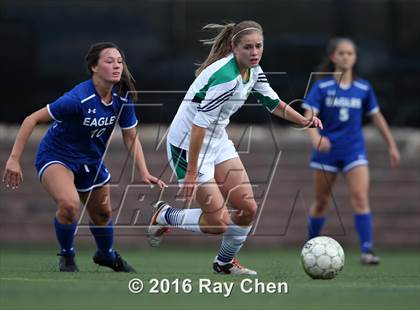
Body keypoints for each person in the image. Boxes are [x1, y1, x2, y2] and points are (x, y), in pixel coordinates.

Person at [147, 21, 323, 275]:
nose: (254, 52)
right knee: (218, 223)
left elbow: (273, 102)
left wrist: (304, 121)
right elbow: (197, 127)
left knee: (248, 208)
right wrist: (192, 173)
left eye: (259, 46)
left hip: (216, 141)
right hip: (188, 145)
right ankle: (165, 215)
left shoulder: (253, 70)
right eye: (248, 47)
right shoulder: (225, 78)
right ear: (234, 48)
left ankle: (224, 263)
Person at [3, 42, 166, 272]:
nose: (117, 66)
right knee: (69, 205)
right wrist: (13, 158)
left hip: (90, 161)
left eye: (119, 61)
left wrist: (144, 171)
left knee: (102, 214)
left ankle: (106, 255)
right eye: (109, 61)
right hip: (56, 155)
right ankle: (67, 256)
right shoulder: (77, 99)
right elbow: (31, 119)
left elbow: (131, 137)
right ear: (93, 67)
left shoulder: (122, 98)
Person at [302, 37, 400, 265]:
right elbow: (308, 118)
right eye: (342, 53)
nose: (346, 57)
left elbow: (377, 117)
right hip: (326, 152)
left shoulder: (363, 88)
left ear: (355, 58)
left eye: (350, 53)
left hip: (354, 150)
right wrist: (316, 138)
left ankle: (367, 250)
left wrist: (391, 145)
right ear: (333, 57)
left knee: (360, 196)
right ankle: (310, 246)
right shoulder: (322, 87)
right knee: (321, 202)